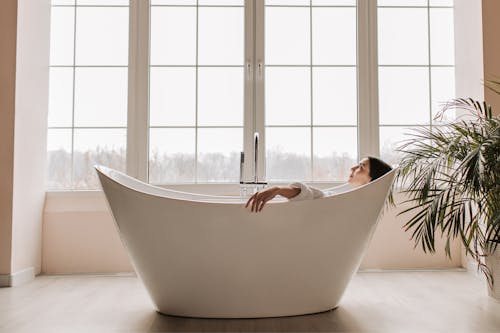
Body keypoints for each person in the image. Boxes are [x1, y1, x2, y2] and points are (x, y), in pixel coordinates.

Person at [245, 156, 392, 212]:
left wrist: (278, 190)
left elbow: (315, 197)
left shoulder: (351, 205)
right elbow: (318, 197)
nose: (352, 168)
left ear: (372, 180)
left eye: (361, 167)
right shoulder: (348, 201)